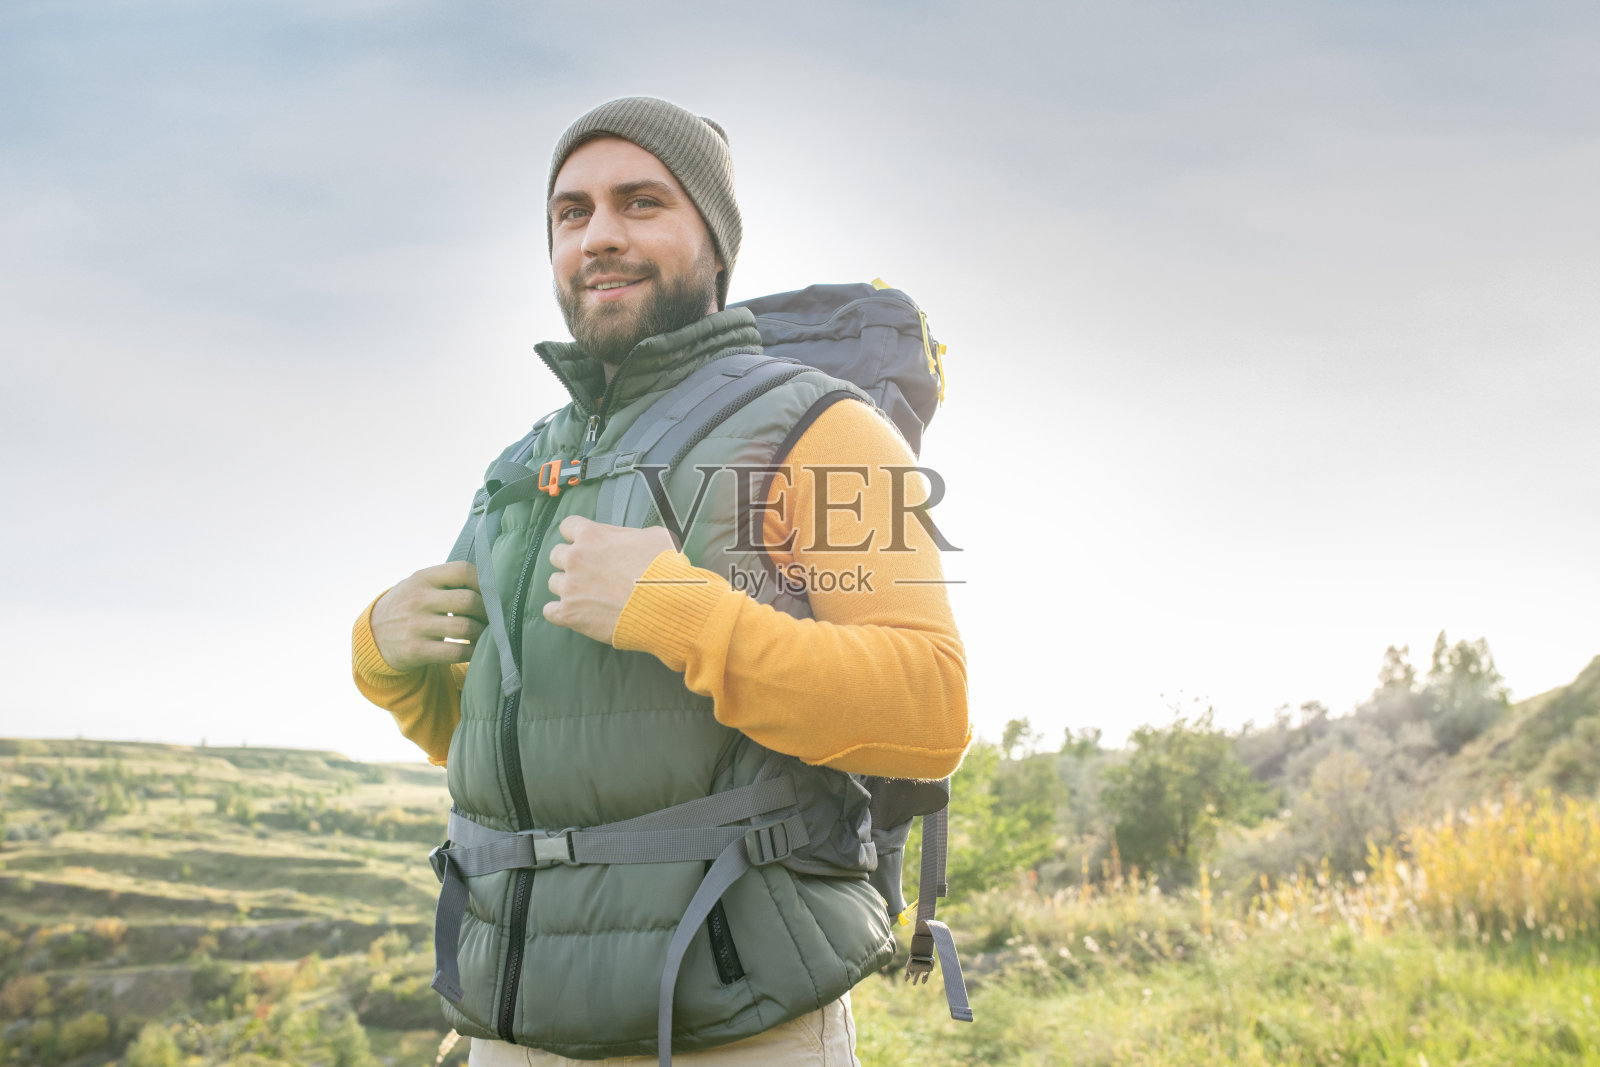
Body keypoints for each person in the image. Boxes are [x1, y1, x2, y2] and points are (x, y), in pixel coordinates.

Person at [352, 96, 970, 1066]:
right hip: (518, 1028)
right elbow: (532, 752)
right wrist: (386, 662)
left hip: (738, 1024)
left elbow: (930, 709)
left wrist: (674, 612)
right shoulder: (518, 470)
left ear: (715, 242)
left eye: (641, 202)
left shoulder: (833, 431)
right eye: (573, 211)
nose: (600, 234)